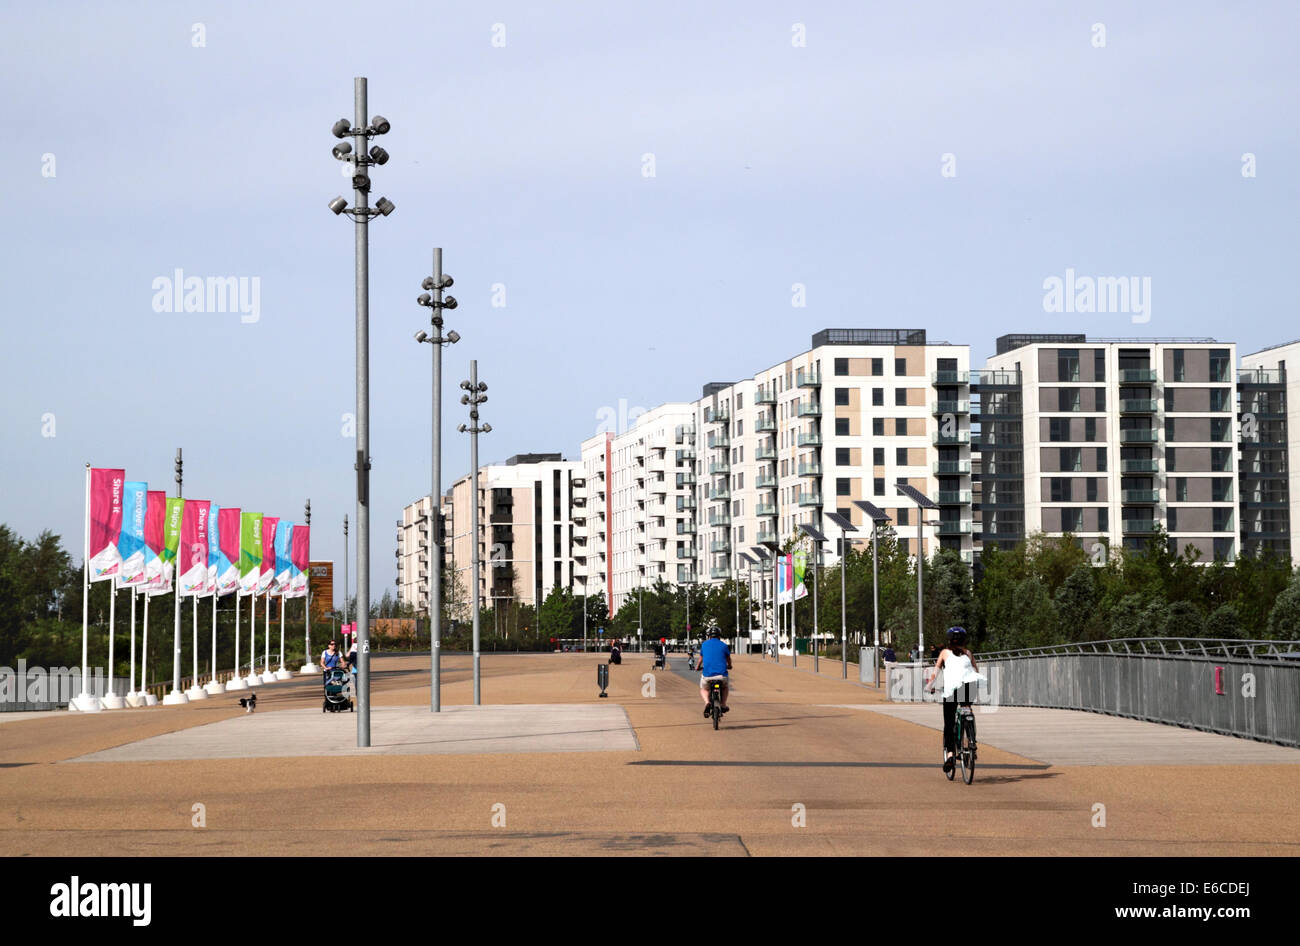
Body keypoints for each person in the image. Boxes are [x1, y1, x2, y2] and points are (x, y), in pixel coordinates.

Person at [928, 626, 986, 773]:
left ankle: (950, 756)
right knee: (967, 712)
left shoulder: (944, 653)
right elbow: (975, 672)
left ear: (949, 640)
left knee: (949, 723)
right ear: (963, 640)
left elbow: (935, 673)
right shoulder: (968, 653)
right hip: (969, 688)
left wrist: (930, 686)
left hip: (951, 690)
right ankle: (970, 741)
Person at [699, 625, 732, 717]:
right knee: (725, 687)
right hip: (722, 675)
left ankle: (707, 703)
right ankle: (723, 704)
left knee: (704, 689)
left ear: (709, 636)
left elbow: (700, 660)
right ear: (719, 635)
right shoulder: (724, 646)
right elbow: (728, 659)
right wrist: (729, 666)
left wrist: (697, 667)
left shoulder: (704, 645)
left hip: (707, 675)